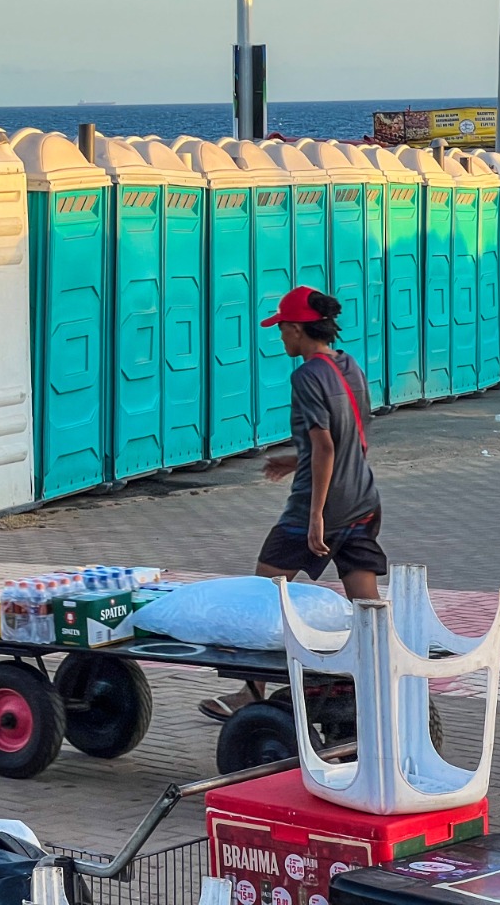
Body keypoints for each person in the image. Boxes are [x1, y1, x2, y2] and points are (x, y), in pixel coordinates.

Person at [200, 286, 386, 721]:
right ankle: (380, 678)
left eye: (282, 329)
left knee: (265, 592)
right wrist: (293, 457)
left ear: (298, 329)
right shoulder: (348, 366)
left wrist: (316, 516)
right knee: (367, 601)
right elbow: (349, 436)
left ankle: (251, 694)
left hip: (316, 504)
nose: (280, 337)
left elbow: (325, 446)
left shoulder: (305, 376)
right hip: (363, 499)